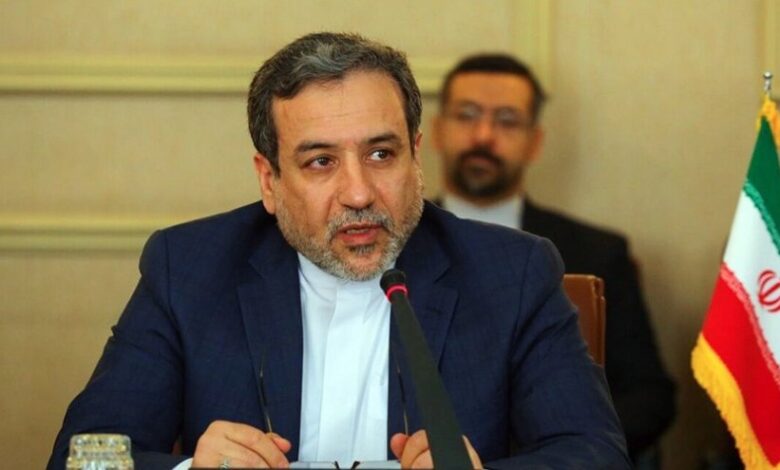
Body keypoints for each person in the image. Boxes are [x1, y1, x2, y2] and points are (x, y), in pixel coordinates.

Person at [47, 34, 630, 470]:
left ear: (416, 156)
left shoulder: (513, 273)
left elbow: (595, 454)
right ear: (270, 180)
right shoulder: (189, 267)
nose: (358, 193)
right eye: (321, 161)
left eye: (381, 155)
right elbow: (84, 454)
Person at [431, 53, 676, 464]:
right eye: (467, 115)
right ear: (437, 132)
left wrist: (562, 447)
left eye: (507, 120)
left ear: (535, 142)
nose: (483, 135)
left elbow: (649, 397)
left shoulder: (598, 253)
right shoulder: (388, 247)